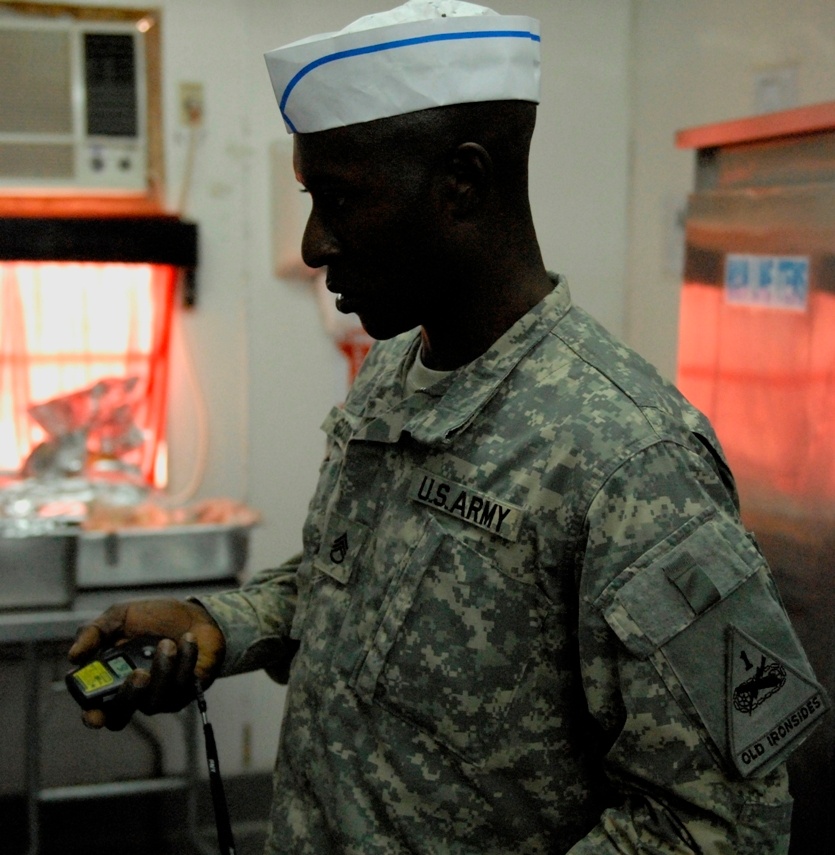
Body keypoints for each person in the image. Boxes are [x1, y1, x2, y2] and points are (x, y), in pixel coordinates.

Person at [69, 2, 828, 853]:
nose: (315, 245)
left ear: (461, 184)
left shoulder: (628, 456)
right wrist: (219, 623)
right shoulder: (392, 377)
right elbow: (348, 583)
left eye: (341, 198)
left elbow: (717, 823)